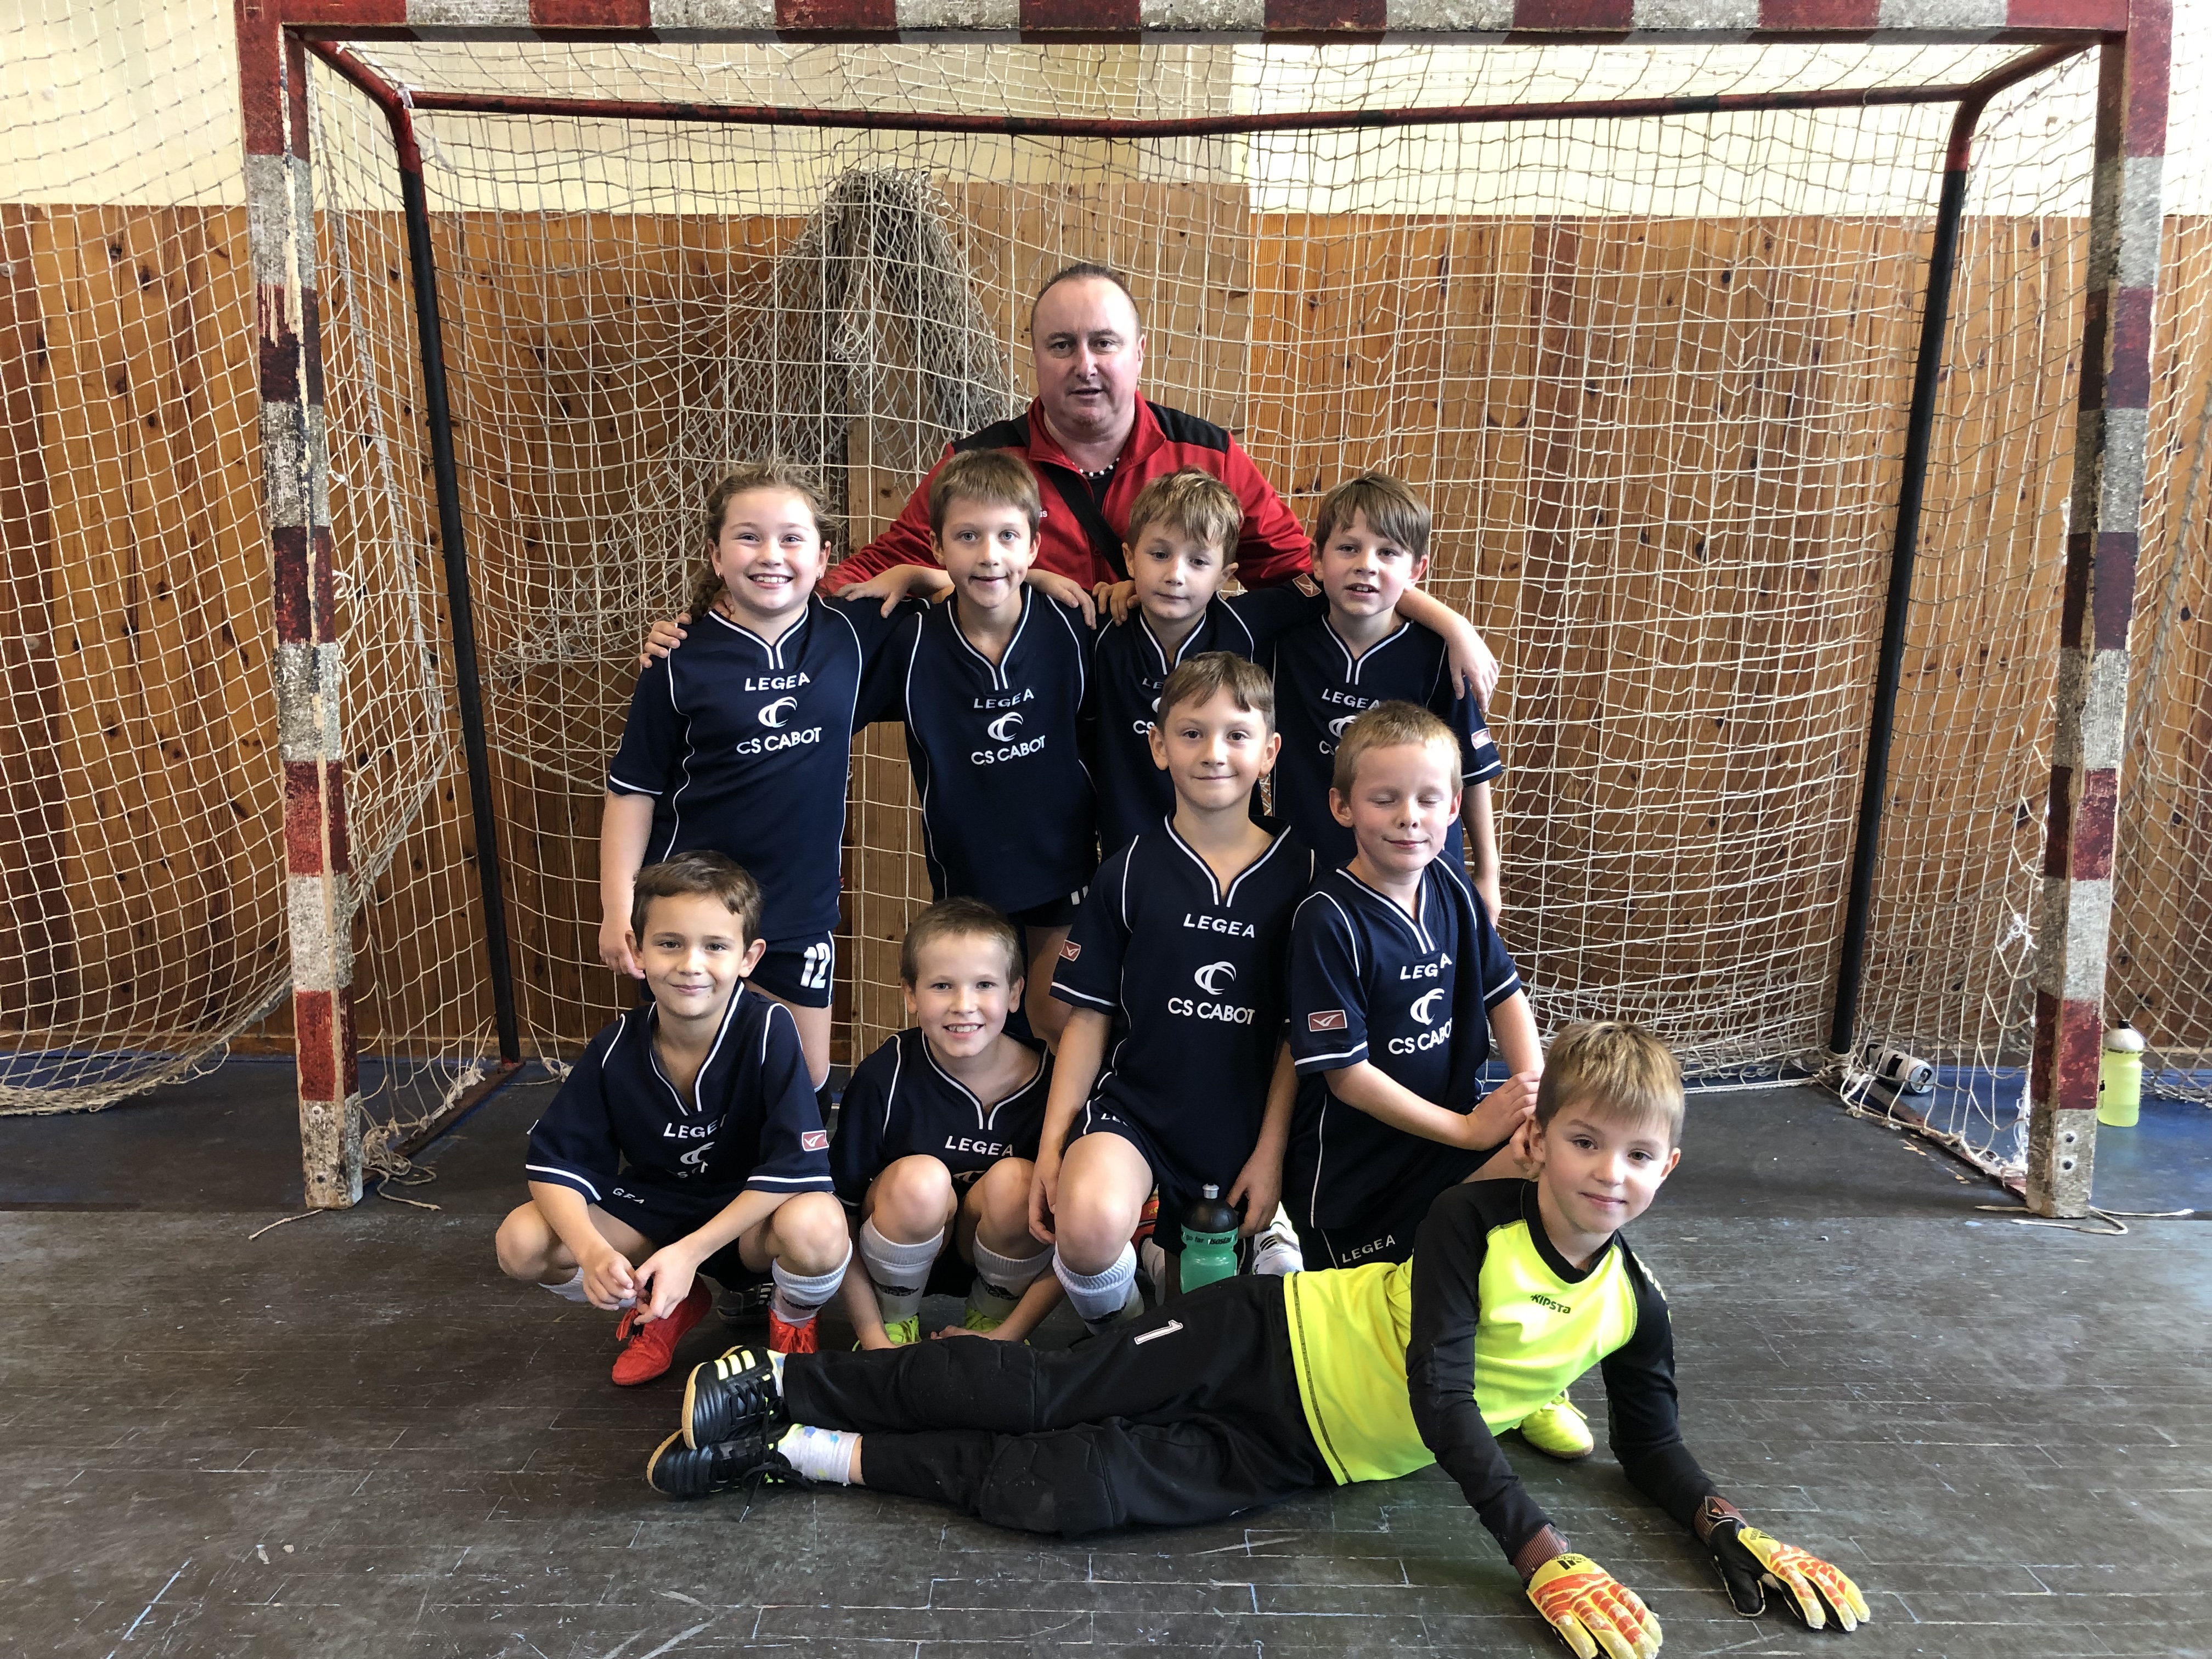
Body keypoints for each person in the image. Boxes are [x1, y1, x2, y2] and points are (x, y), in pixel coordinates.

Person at [653, 1023, 1874, 1659]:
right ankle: (793, 1379)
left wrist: (1725, 1525)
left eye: (1639, 1154)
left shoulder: (1634, 1302)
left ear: (1671, 1165)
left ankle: (799, 1453)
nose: (1609, 1173)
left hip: (1299, 1456)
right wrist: (1539, 1551)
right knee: (1044, 1394)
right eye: (1585, 1141)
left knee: (1062, 1496)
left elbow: (1650, 1445)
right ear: (1536, 1139)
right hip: (1265, 1338)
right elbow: (1444, 1398)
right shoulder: (1473, 1222)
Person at [1282, 701, 1586, 1452]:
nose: (1407, 818)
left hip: (1448, 1149)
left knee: (1548, 1167)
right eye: (1384, 799)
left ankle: (1533, 1381)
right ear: (1343, 806)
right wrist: (1469, 1129)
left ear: (1454, 807)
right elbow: (1346, 1077)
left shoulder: (1452, 889)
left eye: (1427, 800)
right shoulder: (1326, 918)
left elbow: (1505, 996)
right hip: (1354, 1181)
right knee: (1385, 1335)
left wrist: (1535, 1099)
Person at [599, 462, 946, 1092]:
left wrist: (914, 574)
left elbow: (972, 596)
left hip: (799, 908)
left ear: (823, 556)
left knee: (803, 1076)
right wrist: (617, 907)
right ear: (716, 555)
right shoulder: (677, 658)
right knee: (696, 1074)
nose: (770, 555)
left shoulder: (851, 633)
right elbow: (632, 791)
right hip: (691, 907)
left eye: (791, 538)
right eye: (748, 537)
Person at [1036, 652, 1312, 1327]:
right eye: (1192, 733)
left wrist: (1271, 1154)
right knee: (1085, 1223)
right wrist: (1052, 1144)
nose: (1214, 752)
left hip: (1253, 1126)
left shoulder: (1307, 877)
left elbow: (1297, 1036)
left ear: (1270, 753)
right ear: (1159, 747)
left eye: (1237, 735)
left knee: (1273, 1294)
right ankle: (1126, 1337)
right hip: (1141, 1114)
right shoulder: (1126, 872)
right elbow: (1088, 1019)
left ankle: (1233, 1244)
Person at [494, 853, 851, 1375]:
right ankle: (656, 1302)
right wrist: (593, 1253)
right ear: (638, 950)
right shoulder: (615, 1046)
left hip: (748, 1216)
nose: (691, 964)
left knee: (819, 1225)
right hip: (655, 1207)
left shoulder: (769, 1030)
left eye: (715, 946)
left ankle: (792, 1318)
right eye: (670, 944)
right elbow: (553, 1166)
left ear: (749, 957)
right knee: (521, 1242)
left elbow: (797, 1169)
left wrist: (690, 1253)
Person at [822, 263, 1313, 599]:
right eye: (1061, 345)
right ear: (1035, 356)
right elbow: (875, 571)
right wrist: (787, 605)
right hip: (1033, 707)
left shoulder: (1208, 456)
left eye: (1104, 343)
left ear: (1139, 352)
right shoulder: (977, 464)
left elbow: (1297, 578)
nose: (1085, 365)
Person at [1088, 467, 1494, 857]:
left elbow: (1360, 584)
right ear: (1132, 558)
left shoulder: (1252, 626)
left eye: (1198, 561)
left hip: (1398, 863)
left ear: (1225, 574)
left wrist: (1456, 626)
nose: (1176, 574)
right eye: (1159, 554)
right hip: (1138, 849)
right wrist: (1130, 585)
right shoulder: (1101, 630)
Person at [850, 449, 1098, 1045]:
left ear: (1034, 546)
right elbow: (797, 635)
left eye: (1008, 536)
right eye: (968, 537)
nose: (989, 554)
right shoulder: (910, 641)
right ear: (937, 547)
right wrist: (703, 623)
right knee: (978, 1025)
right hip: (967, 875)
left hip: (1061, 866)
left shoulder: (1073, 623)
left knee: (1056, 1019)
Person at [1267, 473, 1506, 920]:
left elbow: (1472, 772)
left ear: (1416, 571)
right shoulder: (1282, 645)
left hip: (1419, 879)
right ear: (1317, 559)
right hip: (1309, 873)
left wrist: (1488, 875)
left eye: (1388, 552)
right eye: (1348, 548)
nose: (1366, 565)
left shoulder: (1441, 655)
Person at [832, 898, 1061, 1347]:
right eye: (942, 986)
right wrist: (871, 1334)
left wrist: (1010, 1336)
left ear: (1015, 993)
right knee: (921, 1181)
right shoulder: (885, 1076)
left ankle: (989, 1325)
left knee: (1021, 1184)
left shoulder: (1053, 1083)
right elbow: (842, 1215)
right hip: (898, 1247)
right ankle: (897, 1323)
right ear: (910, 994)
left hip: (1000, 1257)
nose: (963, 1005)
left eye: (984, 985)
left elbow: (1072, 1240)